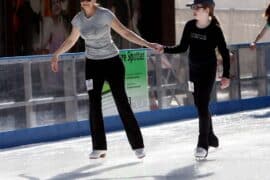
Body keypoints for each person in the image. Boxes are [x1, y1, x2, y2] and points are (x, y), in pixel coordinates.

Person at [50, 0, 160, 159]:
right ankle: (99, 147)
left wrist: (148, 44)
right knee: (94, 105)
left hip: (112, 62)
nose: (84, 1)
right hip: (93, 65)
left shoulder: (105, 15)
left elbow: (125, 32)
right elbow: (71, 40)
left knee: (122, 102)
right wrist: (56, 54)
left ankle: (138, 145)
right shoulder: (78, 19)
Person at [158, 0, 230, 159]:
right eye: (193, 8)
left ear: (207, 10)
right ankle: (211, 136)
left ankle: (202, 144)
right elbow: (182, 47)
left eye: (196, 8)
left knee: (203, 104)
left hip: (208, 70)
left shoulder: (215, 30)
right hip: (194, 71)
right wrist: (165, 49)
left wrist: (226, 75)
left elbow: (224, 53)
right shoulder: (190, 25)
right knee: (199, 104)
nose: (193, 10)